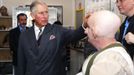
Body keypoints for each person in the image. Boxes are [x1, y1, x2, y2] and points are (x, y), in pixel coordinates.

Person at [16, 1, 86, 75]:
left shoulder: (57, 30)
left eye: (46, 12)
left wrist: (84, 25)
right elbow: (21, 61)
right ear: (33, 15)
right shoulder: (25, 35)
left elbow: (75, 34)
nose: (45, 16)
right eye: (41, 13)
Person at [78, 10, 134, 75]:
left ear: (95, 32)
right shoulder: (110, 52)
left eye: (88, 28)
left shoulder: (108, 62)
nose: (85, 31)